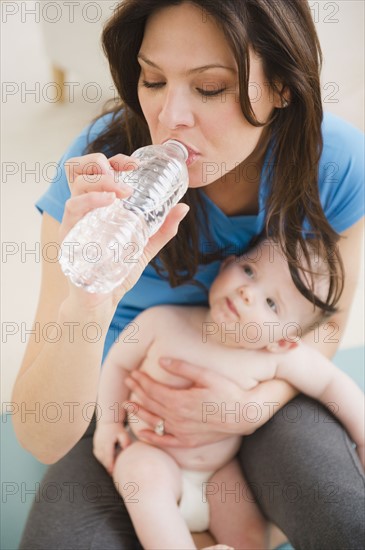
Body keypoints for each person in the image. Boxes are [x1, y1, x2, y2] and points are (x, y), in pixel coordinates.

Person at [13, 1, 364, 548]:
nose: (171, 115)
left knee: (346, 519)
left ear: (282, 87)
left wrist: (249, 406)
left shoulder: (333, 163)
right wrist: (88, 302)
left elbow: (325, 324)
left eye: (210, 88)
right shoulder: (99, 173)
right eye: (152, 79)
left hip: (259, 387)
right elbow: (40, 435)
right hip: (128, 414)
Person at [93, 238, 365, 550]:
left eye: (272, 304)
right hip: (151, 450)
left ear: (284, 340)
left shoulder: (275, 357)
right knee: (142, 477)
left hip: (219, 471)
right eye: (249, 271)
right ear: (227, 265)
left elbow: (332, 383)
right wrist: (109, 425)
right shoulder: (161, 322)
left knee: (248, 535)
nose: (248, 293)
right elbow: (116, 364)